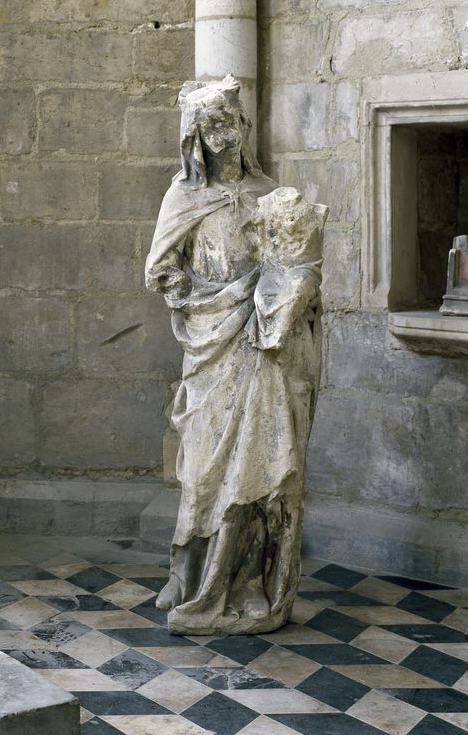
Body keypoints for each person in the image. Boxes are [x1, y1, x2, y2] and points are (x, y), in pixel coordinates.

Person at [145, 75, 327, 635]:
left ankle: (246, 582)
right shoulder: (183, 197)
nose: (225, 137)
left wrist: (293, 292)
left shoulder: (269, 192)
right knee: (202, 470)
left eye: (232, 123)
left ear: (244, 127)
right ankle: (193, 574)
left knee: (264, 467)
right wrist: (200, 296)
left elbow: (298, 265)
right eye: (213, 126)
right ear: (194, 136)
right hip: (212, 345)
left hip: (266, 349)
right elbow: (161, 269)